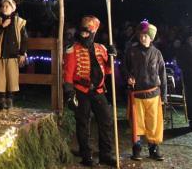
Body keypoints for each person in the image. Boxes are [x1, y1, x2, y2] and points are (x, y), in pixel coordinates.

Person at [63, 15, 117, 167]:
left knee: (106, 121)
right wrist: (69, 91)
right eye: (83, 32)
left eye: (88, 33)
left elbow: (108, 71)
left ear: (93, 33)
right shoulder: (73, 49)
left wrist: (112, 57)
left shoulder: (102, 49)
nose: (84, 35)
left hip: (99, 91)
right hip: (81, 90)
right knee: (83, 123)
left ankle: (106, 154)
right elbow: (68, 72)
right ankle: (86, 154)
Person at [124, 20, 166, 161]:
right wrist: (129, 77)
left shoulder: (157, 54)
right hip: (137, 95)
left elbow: (162, 74)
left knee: (153, 123)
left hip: (154, 94)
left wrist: (164, 96)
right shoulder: (131, 52)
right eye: (141, 35)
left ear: (151, 37)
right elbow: (124, 68)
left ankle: (154, 149)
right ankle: (137, 149)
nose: (143, 38)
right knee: (137, 124)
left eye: (145, 35)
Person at [0, 0, 28, 110]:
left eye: (7, 6)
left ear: (12, 8)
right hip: (1, 54)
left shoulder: (19, 21)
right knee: (0, 79)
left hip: (13, 55)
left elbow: (25, 39)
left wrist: (22, 53)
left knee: (12, 78)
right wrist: (2, 26)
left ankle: (9, 100)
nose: (5, 8)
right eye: (3, 6)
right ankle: (1, 100)